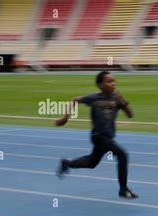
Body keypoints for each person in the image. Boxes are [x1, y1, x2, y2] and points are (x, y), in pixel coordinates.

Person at [54, 71, 138, 199]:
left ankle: (67, 163)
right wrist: (65, 118)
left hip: (107, 138)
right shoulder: (94, 98)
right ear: (100, 85)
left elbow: (130, 115)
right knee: (122, 155)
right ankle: (123, 189)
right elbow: (74, 100)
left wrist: (123, 102)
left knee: (92, 163)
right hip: (98, 136)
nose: (113, 84)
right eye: (109, 81)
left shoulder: (117, 99)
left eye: (114, 81)